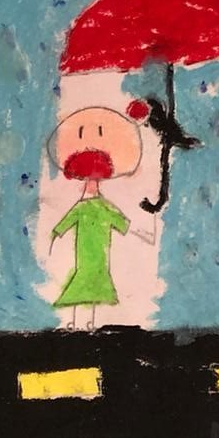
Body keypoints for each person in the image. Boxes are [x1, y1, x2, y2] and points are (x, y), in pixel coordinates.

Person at [47, 102, 148, 328]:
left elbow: (123, 224)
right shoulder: (86, 207)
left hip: (100, 258)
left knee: (94, 285)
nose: (91, 185)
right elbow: (67, 222)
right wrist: (56, 233)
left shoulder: (103, 207)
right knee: (81, 284)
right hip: (85, 256)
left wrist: (142, 231)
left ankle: (89, 323)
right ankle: (77, 322)